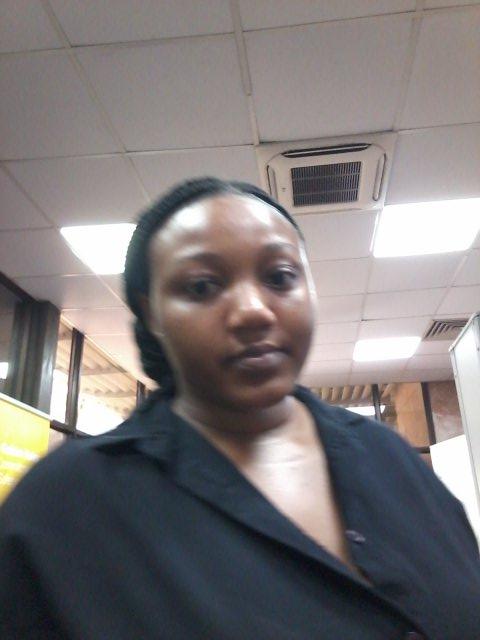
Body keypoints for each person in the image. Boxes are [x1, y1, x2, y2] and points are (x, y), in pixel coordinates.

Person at [0, 177, 479, 639]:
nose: (253, 310)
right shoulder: (64, 507)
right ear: (151, 313)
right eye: (202, 286)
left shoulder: (389, 456)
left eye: (280, 277)